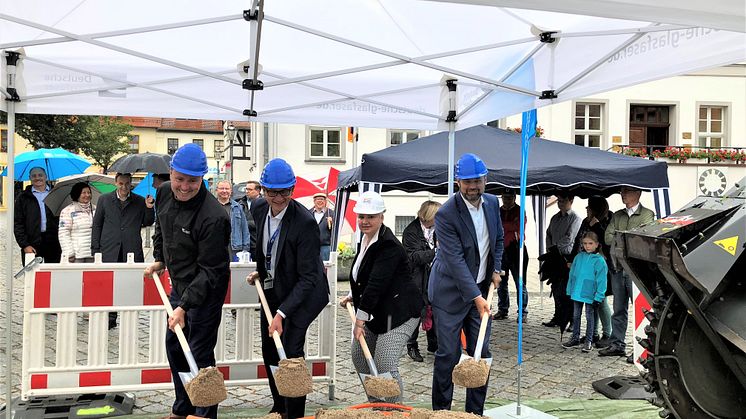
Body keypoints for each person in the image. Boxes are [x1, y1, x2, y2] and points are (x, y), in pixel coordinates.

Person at [144, 144, 231, 419]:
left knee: (199, 354)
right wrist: (160, 258)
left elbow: (211, 271)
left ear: (202, 178)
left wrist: (184, 306)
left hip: (206, 291)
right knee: (175, 347)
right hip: (179, 285)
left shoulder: (214, 217)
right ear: (171, 173)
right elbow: (162, 228)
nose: (184, 186)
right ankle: (183, 408)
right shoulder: (164, 193)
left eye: (192, 181)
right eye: (179, 178)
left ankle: (204, 414)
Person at [245, 158, 329, 419]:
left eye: (284, 192)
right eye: (272, 191)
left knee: (291, 353)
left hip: (304, 294)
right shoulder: (259, 208)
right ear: (263, 190)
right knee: (270, 350)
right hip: (273, 289)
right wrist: (263, 270)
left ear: (293, 190)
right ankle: (278, 405)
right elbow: (264, 247)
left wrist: (282, 314)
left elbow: (309, 277)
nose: (278, 198)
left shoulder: (304, 222)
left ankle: (294, 412)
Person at [428, 153, 504, 415]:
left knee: (480, 355)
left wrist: (495, 269)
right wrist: (477, 297)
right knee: (448, 355)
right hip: (449, 294)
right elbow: (455, 261)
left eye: (477, 181)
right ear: (457, 182)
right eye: (467, 181)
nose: (473, 187)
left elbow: (499, 240)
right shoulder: (447, 214)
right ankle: (442, 411)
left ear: (485, 179)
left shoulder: (492, 204)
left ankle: (474, 412)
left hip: (481, 288)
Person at [339, 191, 422, 402]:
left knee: (384, 362)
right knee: (360, 358)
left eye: (371, 216)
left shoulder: (389, 246)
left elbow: (376, 283)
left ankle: (394, 411)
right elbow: (363, 275)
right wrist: (352, 294)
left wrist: (359, 320)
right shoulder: (366, 240)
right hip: (378, 311)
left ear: (382, 217)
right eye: (361, 216)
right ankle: (376, 406)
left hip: (401, 312)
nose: (365, 221)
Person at [91, 172, 155, 329]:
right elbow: (97, 224)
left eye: (127, 183)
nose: (124, 187)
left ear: (131, 183)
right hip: (109, 248)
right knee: (109, 285)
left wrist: (149, 207)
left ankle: (129, 316)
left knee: (129, 284)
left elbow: (147, 222)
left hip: (131, 248)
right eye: (121, 183)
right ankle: (110, 317)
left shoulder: (139, 201)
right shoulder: (104, 199)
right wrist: (95, 248)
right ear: (116, 183)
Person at [599, 187, 654, 357]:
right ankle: (617, 344)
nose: (622, 195)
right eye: (621, 192)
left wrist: (620, 236)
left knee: (640, 310)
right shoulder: (618, 215)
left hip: (636, 270)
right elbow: (608, 238)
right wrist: (628, 237)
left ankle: (641, 348)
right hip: (618, 267)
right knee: (618, 308)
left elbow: (643, 238)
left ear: (637, 194)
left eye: (626, 192)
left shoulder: (647, 214)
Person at [569, 196, 613, 346]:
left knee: (601, 300)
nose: (587, 209)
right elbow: (577, 240)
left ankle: (608, 334)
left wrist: (598, 226)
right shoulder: (585, 221)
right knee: (591, 302)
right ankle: (593, 333)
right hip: (583, 264)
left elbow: (607, 243)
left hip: (601, 264)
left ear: (597, 209)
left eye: (589, 207)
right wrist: (572, 258)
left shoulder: (608, 220)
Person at [402, 200, 441, 362]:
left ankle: (434, 343)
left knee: (435, 308)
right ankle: (412, 345)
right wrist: (436, 251)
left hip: (435, 275)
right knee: (416, 312)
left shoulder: (439, 228)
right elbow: (413, 257)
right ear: (428, 216)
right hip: (416, 278)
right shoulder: (411, 231)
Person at [562, 231, 608, 352]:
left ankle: (589, 340)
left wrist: (599, 296)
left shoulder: (600, 261)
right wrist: (569, 290)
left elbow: (602, 281)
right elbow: (572, 275)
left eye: (590, 243)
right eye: (585, 243)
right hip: (577, 292)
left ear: (597, 244)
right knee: (576, 316)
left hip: (590, 294)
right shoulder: (578, 257)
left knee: (590, 317)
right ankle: (575, 338)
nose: (587, 246)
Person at [541, 193, 582, 329]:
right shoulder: (555, 218)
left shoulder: (575, 219)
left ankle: (572, 320)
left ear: (571, 200)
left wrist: (556, 247)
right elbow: (548, 234)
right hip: (554, 258)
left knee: (567, 291)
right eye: (559, 200)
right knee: (556, 289)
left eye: (563, 200)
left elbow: (570, 238)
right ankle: (558, 316)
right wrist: (550, 249)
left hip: (567, 258)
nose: (560, 203)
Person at [493, 190, 529, 322]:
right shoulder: (498, 211)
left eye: (509, 198)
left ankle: (523, 311)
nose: (506, 200)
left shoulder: (520, 210)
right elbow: (496, 227)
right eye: (504, 197)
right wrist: (508, 226)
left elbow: (519, 228)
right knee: (501, 282)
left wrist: (505, 226)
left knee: (520, 283)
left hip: (516, 250)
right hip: (501, 251)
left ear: (514, 197)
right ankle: (503, 309)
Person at [14, 166, 62, 264]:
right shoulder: (23, 197)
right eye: (34, 176)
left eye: (40, 175)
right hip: (32, 243)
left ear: (46, 177)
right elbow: (18, 223)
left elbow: (64, 218)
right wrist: (25, 245)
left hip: (54, 243)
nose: (37, 178)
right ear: (30, 178)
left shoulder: (55, 194)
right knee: (32, 276)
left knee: (53, 276)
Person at [58, 183, 96, 263]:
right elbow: (63, 233)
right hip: (76, 255)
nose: (87, 195)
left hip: (93, 254)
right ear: (77, 194)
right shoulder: (67, 211)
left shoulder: (96, 209)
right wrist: (69, 253)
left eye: (89, 192)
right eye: (84, 193)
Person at [215, 180, 251, 261]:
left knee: (234, 272)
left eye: (227, 189)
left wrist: (245, 249)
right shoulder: (211, 207)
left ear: (231, 191)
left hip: (234, 248)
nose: (224, 191)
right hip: (215, 247)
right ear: (216, 190)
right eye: (222, 188)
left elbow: (244, 228)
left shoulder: (238, 207)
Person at [238, 180, 261, 259]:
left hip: (257, 243)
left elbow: (261, 222)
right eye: (246, 189)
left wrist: (244, 224)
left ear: (258, 191)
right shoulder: (240, 203)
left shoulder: (265, 204)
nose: (247, 191)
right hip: (243, 243)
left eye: (250, 190)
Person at [309, 192, 335, 261]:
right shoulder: (308, 213)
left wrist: (332, 223)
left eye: (322, 199)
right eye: (318, 199)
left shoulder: (331, 213)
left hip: (325, 247)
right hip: (311, 246)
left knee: (325, 268)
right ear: (314, 201)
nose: (320, 201)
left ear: (325, 201)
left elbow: (335, 231)